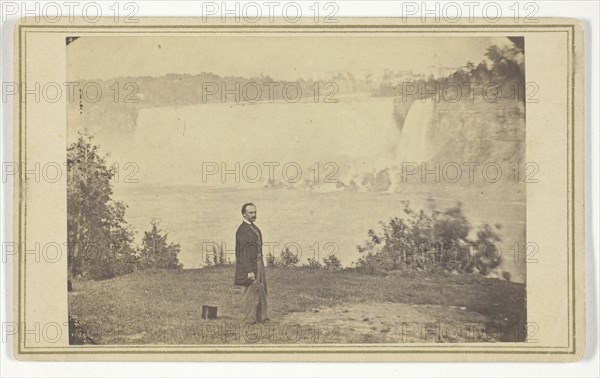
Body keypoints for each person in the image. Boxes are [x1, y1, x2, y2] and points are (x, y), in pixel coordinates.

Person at [234, 203, 268, 323]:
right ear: (244, 214)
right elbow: (242, 254)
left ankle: (262, 317)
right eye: (251, 213)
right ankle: (249, 319)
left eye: (255, 212)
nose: (254, 215)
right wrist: (249, 271)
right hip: (249, 265)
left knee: (261, 288)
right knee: (250, 290)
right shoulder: (242, 230)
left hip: (259, 262)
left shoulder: (254, 228)